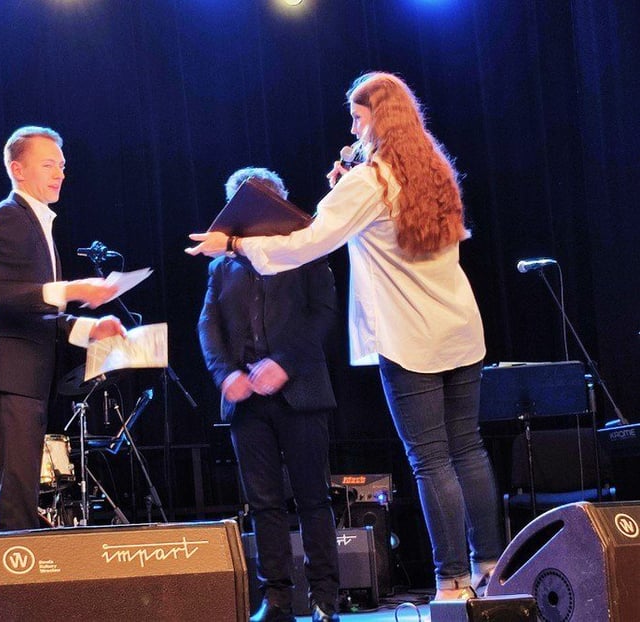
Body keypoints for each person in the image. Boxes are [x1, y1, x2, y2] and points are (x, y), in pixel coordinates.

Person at [187, 73, 503, 601]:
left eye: (358, 119)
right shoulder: (433, 170)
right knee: (467, 449)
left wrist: (236, 245)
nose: (353, 130)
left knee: (431, 459)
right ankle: (490, 569)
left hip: (411, 337)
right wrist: (344, 191)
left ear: (381, 119)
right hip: (460, 329)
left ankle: (452, 583)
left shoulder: (370, 181)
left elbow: (307, 243)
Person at [198, 168, 341, 622]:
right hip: (246, 402)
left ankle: (324, 599)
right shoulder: (221, 266)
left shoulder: (307, 252)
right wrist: (225, 375)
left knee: (313, 498)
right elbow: (208, 327)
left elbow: (322, 315)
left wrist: (284, 363)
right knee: (263, 504)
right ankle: (276, 599)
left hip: (300, 392)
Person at [0, 126, 125, 532]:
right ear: (17, 169)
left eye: (62, 166)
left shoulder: (37, 223)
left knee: (23, 499)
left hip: (27, 379)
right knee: (15, 502)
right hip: (10, 375)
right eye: (48, 164)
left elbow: (36, 313)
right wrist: (74, 289)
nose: (60, 174)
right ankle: (10, 574)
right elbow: (1, 295)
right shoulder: (7, 217)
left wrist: (90, 328)